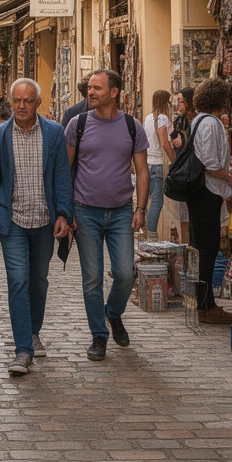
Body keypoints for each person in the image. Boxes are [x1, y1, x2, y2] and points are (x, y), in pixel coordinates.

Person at [0, 79, 74, 375]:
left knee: (39, 280)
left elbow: (62, 177)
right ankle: (23, 349)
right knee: (18, 280)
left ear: (38, 103)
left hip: (45, 220)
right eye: (16, 101)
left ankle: (33, 331)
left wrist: (64, 214)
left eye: (27, 101)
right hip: (14, 221)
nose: (21, 106)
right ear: (11, 103)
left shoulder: (54, 132)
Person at [65, 69, 150, 362]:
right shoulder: (78, 124)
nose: (90, 92)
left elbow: (142, 171)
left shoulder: (131, 126)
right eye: (89, 88)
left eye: (97, 88)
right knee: (92, 278)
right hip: (85, 211)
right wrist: (66, 210)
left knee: (125, 274)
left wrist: (141, 208)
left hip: (121, 213)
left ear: (114, 92)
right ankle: (98, 336)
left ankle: (113, 313)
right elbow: (66, 170)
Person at [185, 79, 232, 325]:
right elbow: (209, 163)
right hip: (207, 192)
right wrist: (229, 177)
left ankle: (203, 302)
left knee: (202, 247)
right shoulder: (210, 123)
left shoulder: (200, 120)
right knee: (207, 248)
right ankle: (206, 305)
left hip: (203, 192)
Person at [144, 90, 176, 241]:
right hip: (158, 164)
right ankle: (152, 235)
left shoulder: (149, 118)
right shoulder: (162, 118)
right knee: (157, 201)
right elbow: (164, 143)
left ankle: (146, 231)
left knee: (149, 200)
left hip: (148, 163)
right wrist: (174, 161)